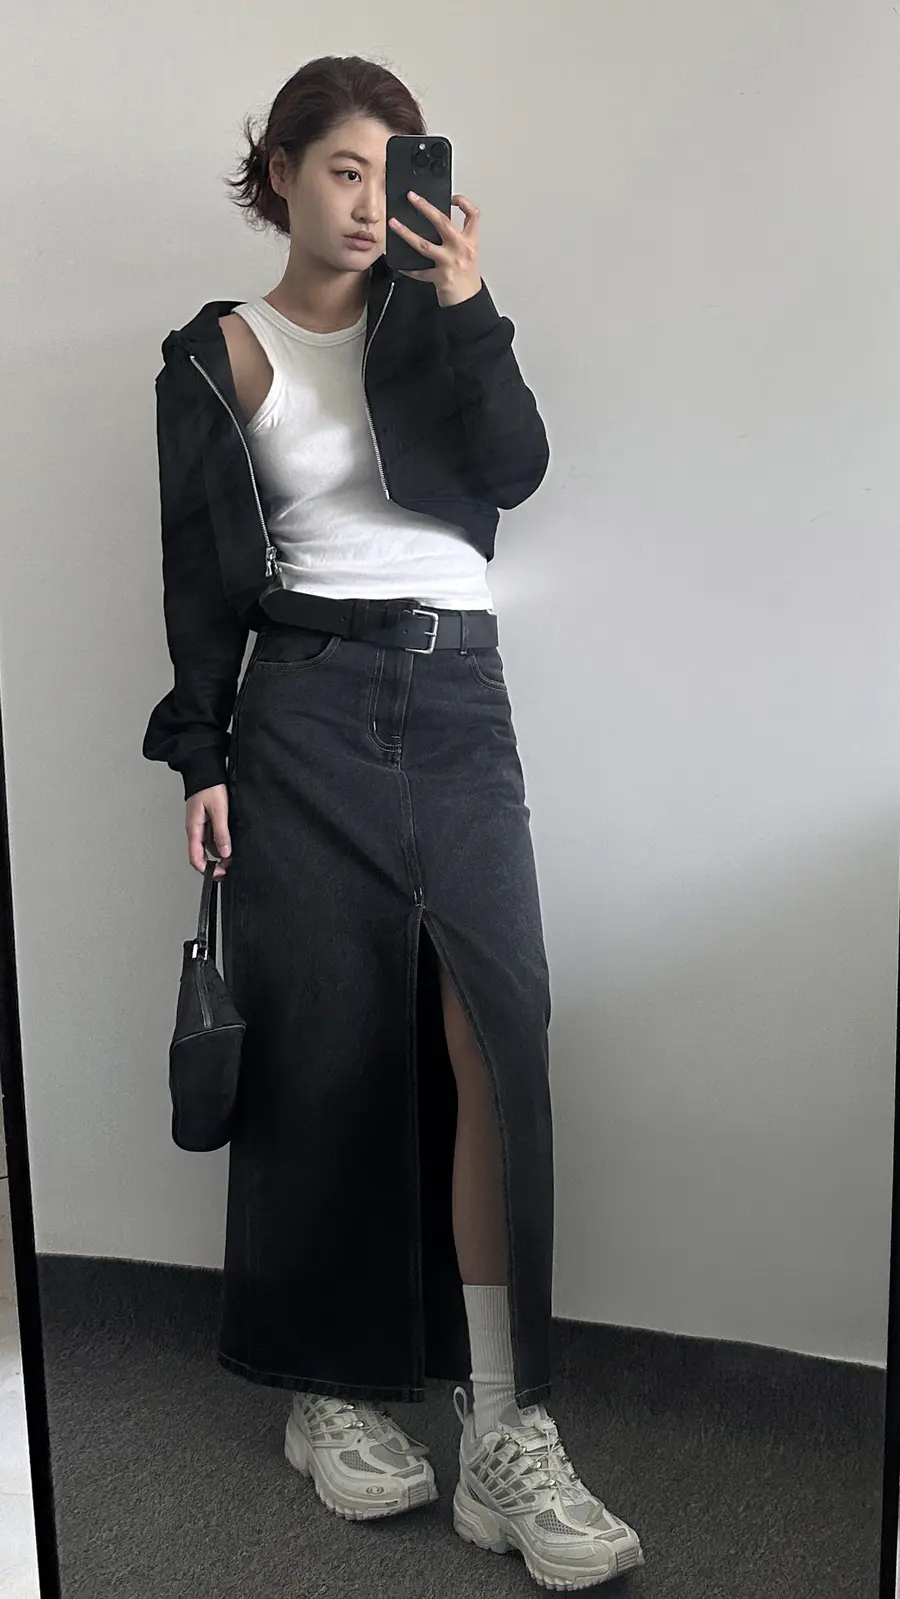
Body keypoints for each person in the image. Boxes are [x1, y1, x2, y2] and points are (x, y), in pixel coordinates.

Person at [142, 54, 644, 1591]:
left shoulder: (435, 322)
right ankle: (330, 1390)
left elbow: (517, 472)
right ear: (281, 174)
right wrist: (201, 756)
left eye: (393, 172)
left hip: (458, 699)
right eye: (343, 170)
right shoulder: (216, 354)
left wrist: (471, 301)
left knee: (499, 1038)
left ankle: (506, 1427)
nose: (370, 203)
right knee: (329, 1040)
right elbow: (197, 576)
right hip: (298, 708)